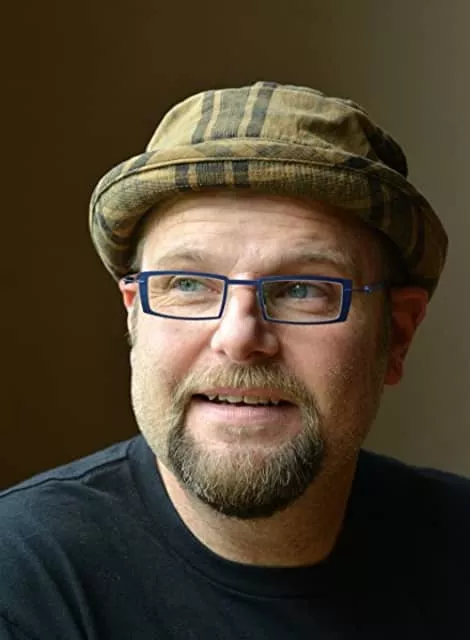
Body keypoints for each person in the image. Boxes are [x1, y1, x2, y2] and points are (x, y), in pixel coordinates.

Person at [0, 81, 468, 639]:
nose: (239, 337)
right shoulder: (21, 584)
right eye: (188, 283)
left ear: (396, 335)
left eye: (302, 289)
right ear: (134, 317)